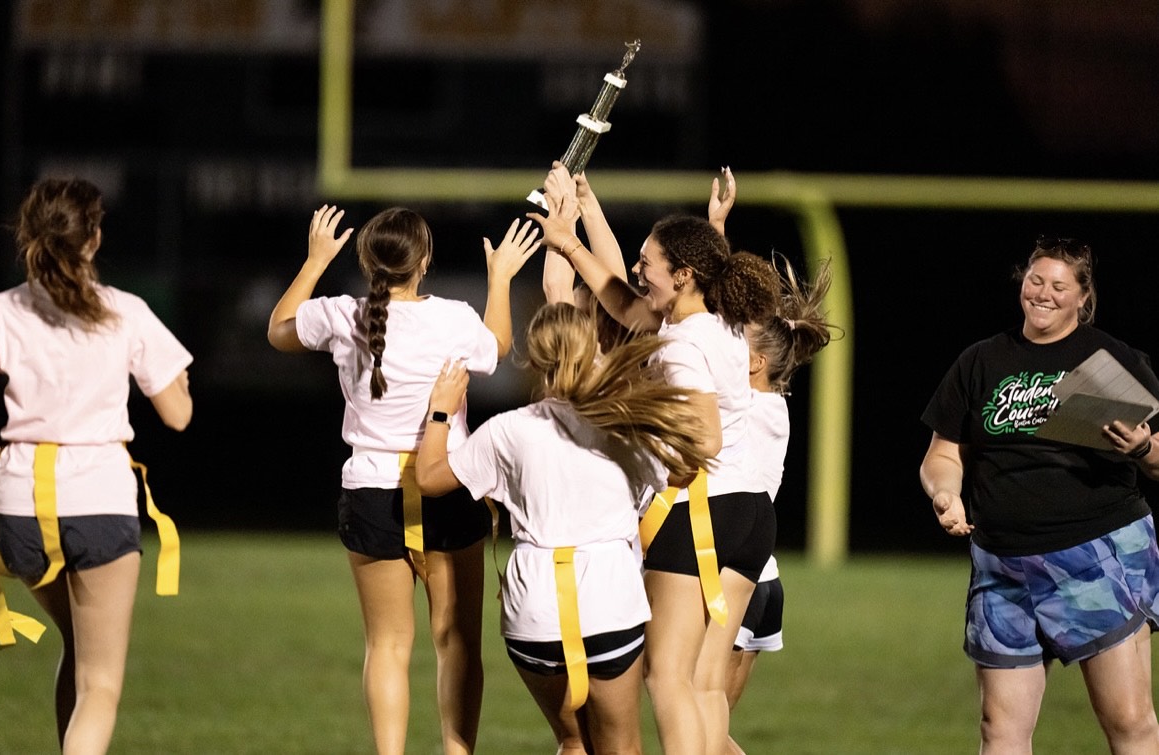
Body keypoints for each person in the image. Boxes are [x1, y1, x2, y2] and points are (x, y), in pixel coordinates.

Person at [528, 162, 781, 755]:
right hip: (749, 515)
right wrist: (578, 222)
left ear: (685, 274)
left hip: (703, 511)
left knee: (665, 677)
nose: (639, 272)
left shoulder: (684, 342)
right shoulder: (716, 320)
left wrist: (658, 447)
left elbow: (706, 439)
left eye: (649, 263)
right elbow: (622, 302)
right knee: (699, 684)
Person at [266, 204, 538, 755]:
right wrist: (501, 278)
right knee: (456, 642)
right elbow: (500, 348)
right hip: (446, 483)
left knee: (387, 645)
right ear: (425, 260)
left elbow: (278, 331)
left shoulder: (345, 314)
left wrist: (316, 260)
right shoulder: (455, 317)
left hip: (372, 490)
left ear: (367, 260)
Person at [415, 301, 710, 754]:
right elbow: (686, 470)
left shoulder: (507, 430)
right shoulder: (622, 423)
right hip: (609, 601)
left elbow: (429, 478)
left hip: (534, 608)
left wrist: (441, 410)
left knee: (574, 743)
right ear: (593, 348)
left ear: (534, 360)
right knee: (620, 748)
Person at [919, 236, 1159, 753]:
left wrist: (1143, 448)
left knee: (1129, 720)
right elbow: (942, 454)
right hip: (1002, 564)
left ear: (1081, 297)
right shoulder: (982, 360)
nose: (1043, 294)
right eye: (1035, 280)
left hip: (1093, 555)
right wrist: (946, 493)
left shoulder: (1108, 359)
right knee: (999, 728)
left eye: (1058, 286)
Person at [0, 177, 193, 753]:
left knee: (81, 648)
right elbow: (178, 415)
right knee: (101, 686)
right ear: (93, 238)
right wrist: (174, 379)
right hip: (98, 503)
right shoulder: (122, 311)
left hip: (20, 506)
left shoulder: (1, 311)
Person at [726, 253, 835, 755]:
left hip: (734, 579)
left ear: (754, 362)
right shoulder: (772, 405)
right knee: (705, 728)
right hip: (762, 578)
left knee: (696, 728)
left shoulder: (742, 407)